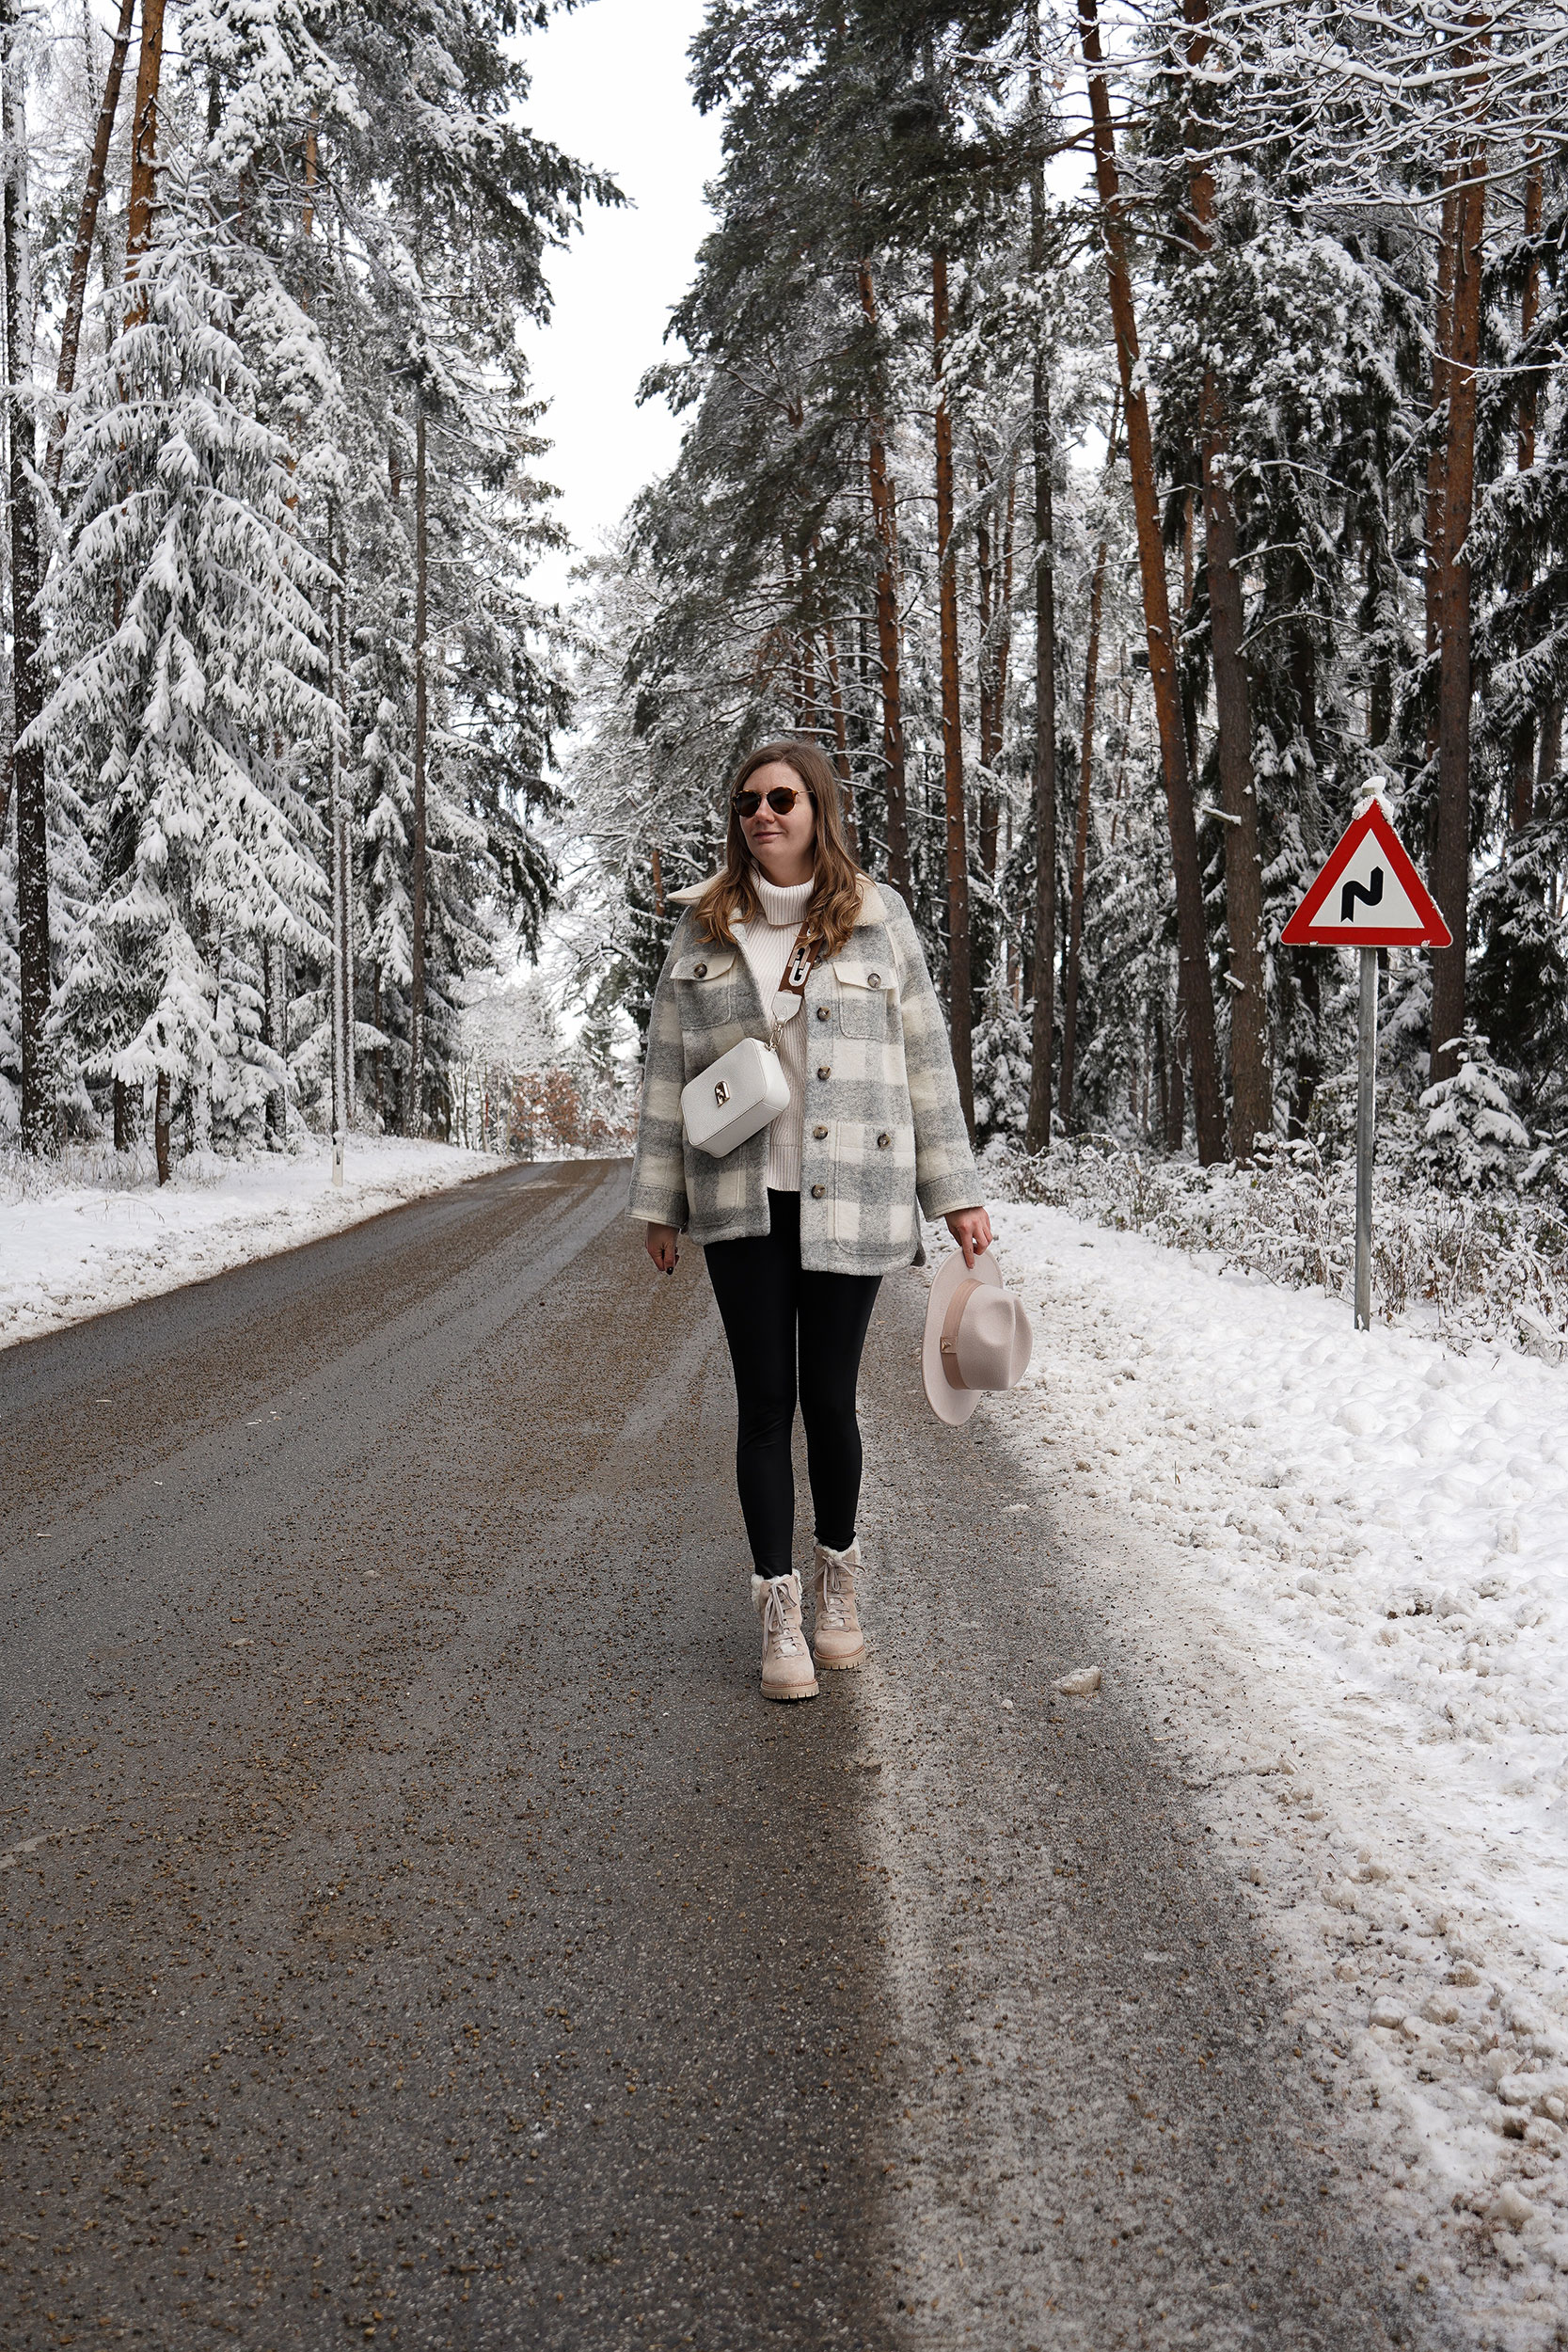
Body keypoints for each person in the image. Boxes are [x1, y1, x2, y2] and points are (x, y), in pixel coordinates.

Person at [628, 739, 991, 1702]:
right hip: (739, 1198)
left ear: (816, 808)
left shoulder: (877, 920)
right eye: (746, 800)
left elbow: (925, 1061)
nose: (762, 814)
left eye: (780, 797)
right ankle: (777, 1609)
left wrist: (954, 1193)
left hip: (857, 1191)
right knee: (763, 1401)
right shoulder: (704, 927)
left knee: (830, 1399)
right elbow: (666, 1067)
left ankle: (837, 1585)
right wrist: (658, 1201)